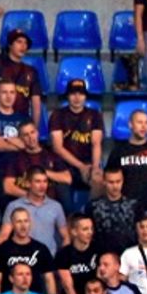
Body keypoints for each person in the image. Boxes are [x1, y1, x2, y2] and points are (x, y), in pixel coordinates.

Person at [50, 79, 105, 214]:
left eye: (81, 94)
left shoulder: (94, 115)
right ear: (68, 96)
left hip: (88, 164)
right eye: (73, 94)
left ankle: (88, 216)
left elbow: (96, 143)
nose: (77, 97)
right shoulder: (58, 115)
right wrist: (80, 166)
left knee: (99, 180)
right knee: (66, 203)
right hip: (63, 166)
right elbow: (57, 148)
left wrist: (95, 167)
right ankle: (70, 220)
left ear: (85, 96)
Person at [0, 79, 35, 208]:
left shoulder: (24, 118)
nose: (9, 96)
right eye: (4, 92)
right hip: (1, 169)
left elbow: (30, 144)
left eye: (12, 92)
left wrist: (5, 139)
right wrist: (19, 142)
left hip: (23, 170)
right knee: (9, 210)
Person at [0, 10, 43, 124]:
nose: (23, 46)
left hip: (21, 124)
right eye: (19, 42)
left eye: (25, 43)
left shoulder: (31, 71)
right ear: (10, 44)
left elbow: (36, 102)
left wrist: (34, 128)